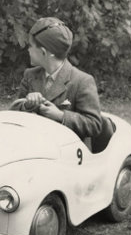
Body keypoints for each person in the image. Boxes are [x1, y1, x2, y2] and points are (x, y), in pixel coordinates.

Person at [11, 17, 114, 148]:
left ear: (43, 52)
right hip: (32, 148)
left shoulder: (82, 81)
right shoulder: (30, 75)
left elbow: (94, 124)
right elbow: (12, 115)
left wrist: (60, 115)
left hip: (68, 154)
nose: (28, 50)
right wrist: (26, 105)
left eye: (31, 46)